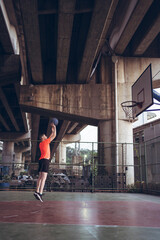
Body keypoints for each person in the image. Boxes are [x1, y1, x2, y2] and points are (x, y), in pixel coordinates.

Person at [34, 123, 56, 202]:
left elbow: (51, 135)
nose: (46, 136)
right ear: (43, 138)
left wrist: (52, 130)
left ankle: (37, 191)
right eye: (45, 136)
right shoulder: (46, 142)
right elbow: (54, 136)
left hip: (41, 160)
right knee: (44, 178)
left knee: (40, 177)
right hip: (45, 160)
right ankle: (40, 193)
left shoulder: (41, 144)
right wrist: (54, 127)